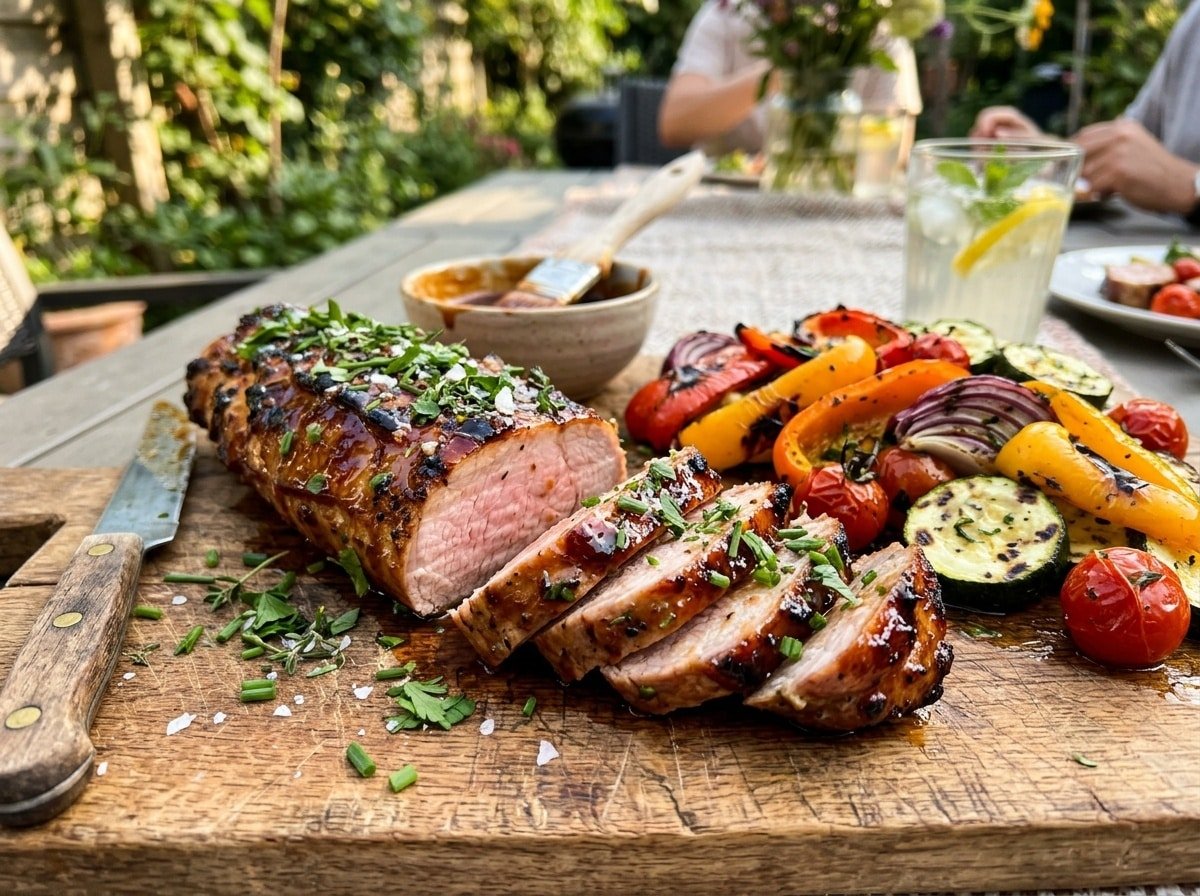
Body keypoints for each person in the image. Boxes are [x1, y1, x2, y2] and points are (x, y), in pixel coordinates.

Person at [971, 0, 1200, 221]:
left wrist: (1193, 185)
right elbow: (1129, 154)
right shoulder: (1195, 21)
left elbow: (1172, 176)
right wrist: (1050, 156)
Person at [658, 0, 924, 158]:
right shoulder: (725, 13)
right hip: (723, 211)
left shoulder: (879, 25)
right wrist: (785, 71)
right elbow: (675, 124)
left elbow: (896, 148)